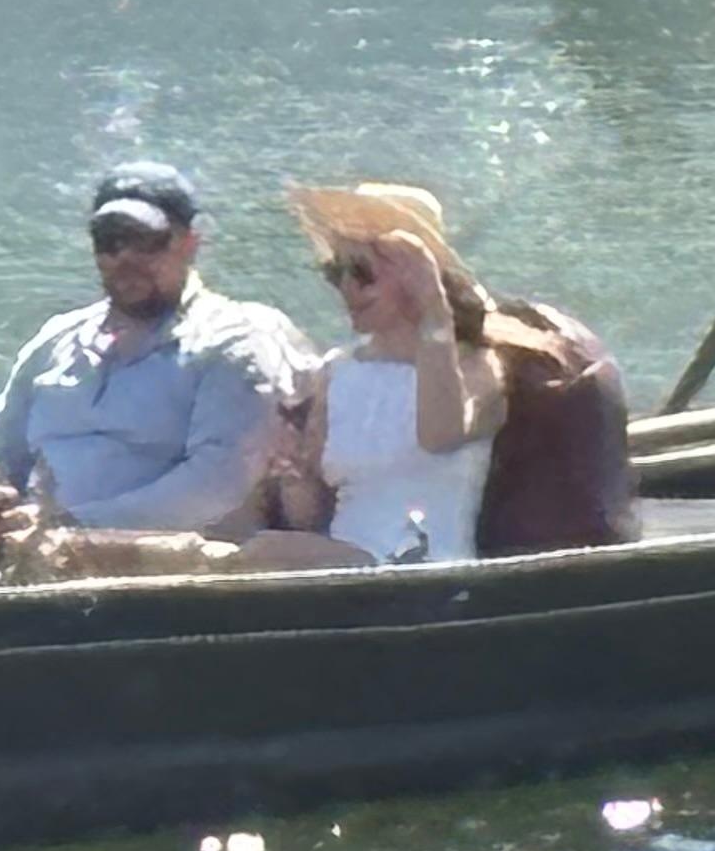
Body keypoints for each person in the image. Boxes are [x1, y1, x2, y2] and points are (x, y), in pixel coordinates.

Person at [0, 163, 300, 592]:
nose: (124, 257)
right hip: (31, 554)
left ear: (191, 243)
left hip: (159, 571)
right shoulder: (57, 338)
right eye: (109, 241)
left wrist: (71, 528)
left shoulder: (232, 341)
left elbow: (217, 486)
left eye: (145, 240)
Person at [251, 184, 642, 566]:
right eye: (336, 272)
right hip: (348, 560)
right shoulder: (336, 371)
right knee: (245, 548)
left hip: (422, 561)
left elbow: (439, 435)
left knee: (258, 551)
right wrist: (291, 474)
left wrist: (434, 310)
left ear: (416, 275)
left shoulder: (476, 365)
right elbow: (309, 517)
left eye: (363, 272)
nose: (347, 287)